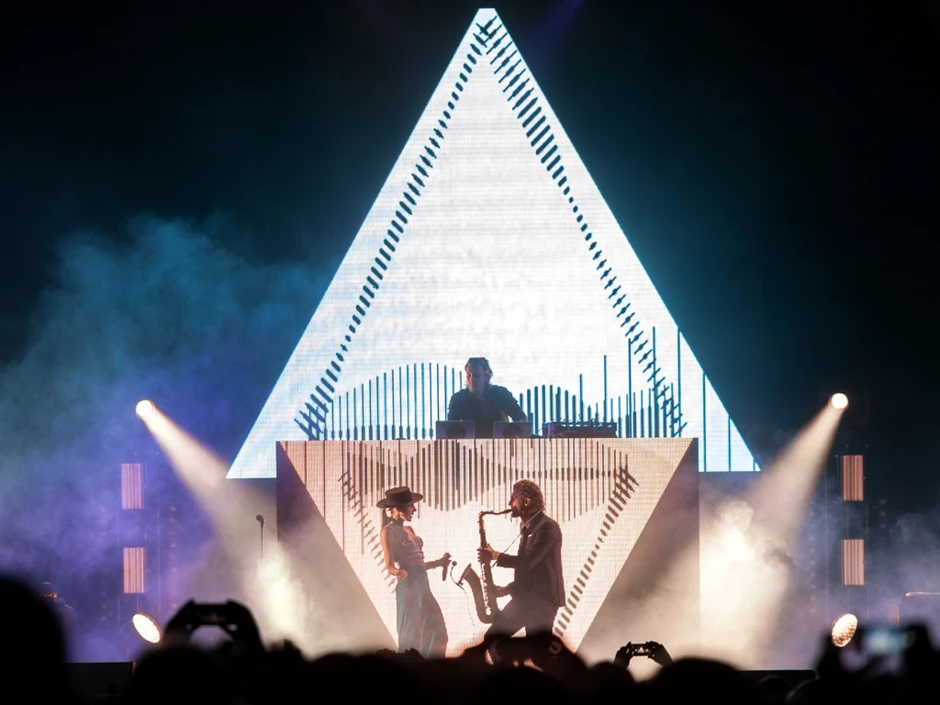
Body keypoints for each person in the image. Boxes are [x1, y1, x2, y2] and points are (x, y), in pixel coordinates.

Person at [478, 479, 565, 640]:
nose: (509, 503)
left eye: (513, 499)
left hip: (541, 603)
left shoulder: (547, 527)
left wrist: (495, 555)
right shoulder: (528, 527)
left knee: (535, 651)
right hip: (526, 600)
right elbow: (531, 574)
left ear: (527, 501)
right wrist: (506, 589)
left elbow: (528, 562)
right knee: (493, 639)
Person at [378, 486, 451, 658]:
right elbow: (389, 565)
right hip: (409, 587)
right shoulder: (388, 531)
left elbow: (419, 564)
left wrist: (439, 562)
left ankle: (432, 668)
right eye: (410, 506)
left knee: (437, 632)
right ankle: (408, 668)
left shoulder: (409, 530)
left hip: (423, 585)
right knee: (411, 635)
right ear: (398, 509)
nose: (414, 509)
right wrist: (398, 572)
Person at [446, 357, 527, 438]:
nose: (472, 379)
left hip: (500, 444)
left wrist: (516, 433)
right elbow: (449, 429)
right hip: (469, 445)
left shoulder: (501, 394)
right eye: (468, 375)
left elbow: (521, 418)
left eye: (476, 376)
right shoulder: (458, 399)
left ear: (487, 376)